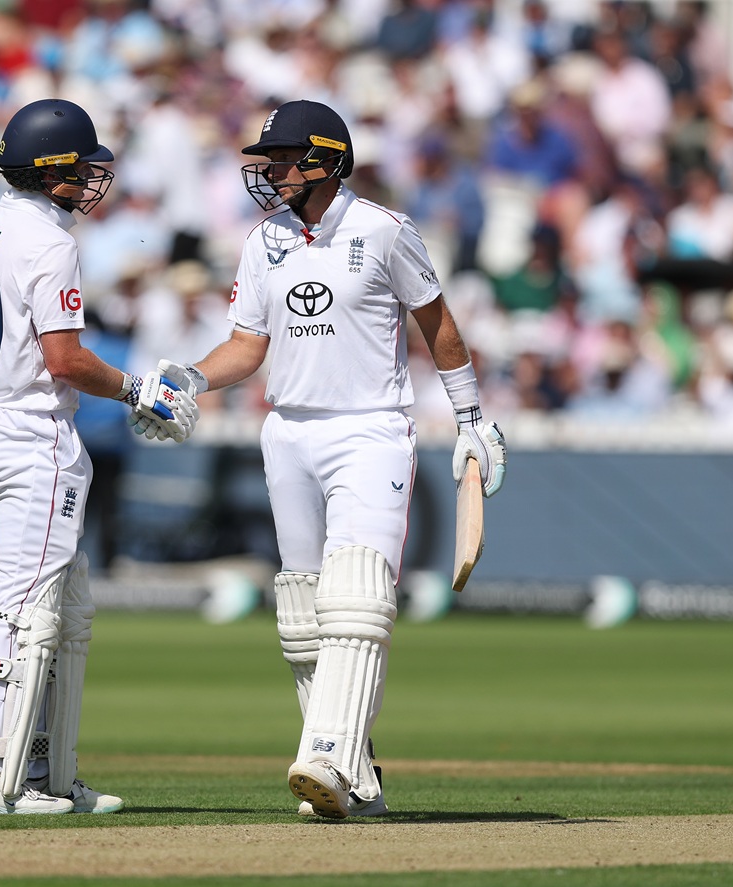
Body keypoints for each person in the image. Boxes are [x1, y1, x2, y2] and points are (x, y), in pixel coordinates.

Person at [137, 100, 507, 819]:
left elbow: (442, 329)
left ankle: (329, 755)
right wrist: (189, 376)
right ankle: (356, 776)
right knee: (303, 614)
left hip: (370, 429)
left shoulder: (385, 230)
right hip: (289, 431)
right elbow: (247, 346)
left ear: (325, 161)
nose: (269, 171)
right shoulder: (263, 240)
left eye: (281, 159)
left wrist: (471, 420)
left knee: (359, 596)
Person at [0, 99, 198, 815]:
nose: (94, 177)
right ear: (52, 169)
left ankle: (47, 772)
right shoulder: (51, 242)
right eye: (82, 165)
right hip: (37, 436)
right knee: (21, 607)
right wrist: (138, 391)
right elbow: (63, 360)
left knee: (65, 610)